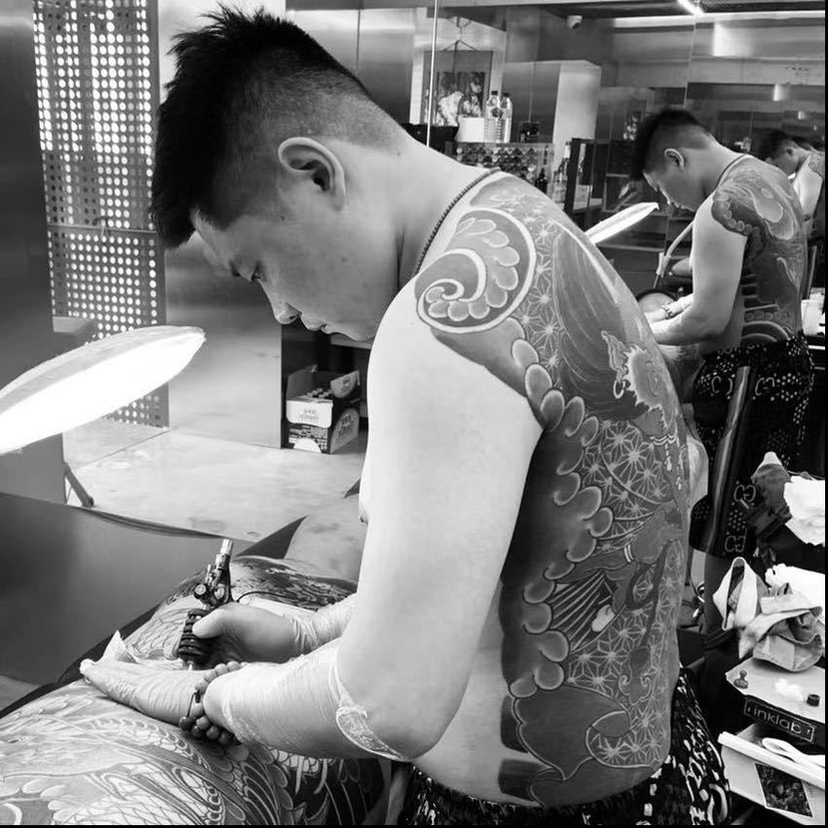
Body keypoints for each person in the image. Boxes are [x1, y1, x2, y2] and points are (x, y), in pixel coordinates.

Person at [80, 11, 729, 824]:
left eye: (261, 267)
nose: (282, 309)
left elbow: (390, 705)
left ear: (314, 173)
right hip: (666, 781)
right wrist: (309, 635)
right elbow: (501, 564)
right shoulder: (520, 224)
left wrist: (210, 695)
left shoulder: (441, 322)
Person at [632, 109, 814, 642]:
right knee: (762, 514)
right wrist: (676, 309)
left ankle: (718, 645)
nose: (671, 203)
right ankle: (748, 635)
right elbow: (747, 286)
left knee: (725, 525)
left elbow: (709, 322)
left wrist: (640, 332)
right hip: (790, 364)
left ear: (676, 159)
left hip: (749, 380)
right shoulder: (770, 177)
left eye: (663, 188)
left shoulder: (721, 208)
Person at [757, 128, 825, 239]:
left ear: (790, 152)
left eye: (777, 166)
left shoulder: (811, 165)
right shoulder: (806, 167)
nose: (777, 172)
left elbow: (805, 213)